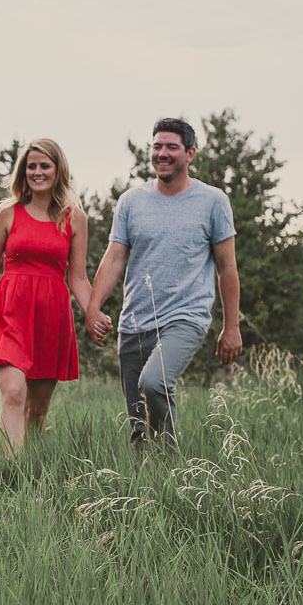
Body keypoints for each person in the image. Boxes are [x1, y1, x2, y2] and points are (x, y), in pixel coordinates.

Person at [85, 117, 242, 449]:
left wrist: (231, 327)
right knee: (140, 422)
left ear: (190, 153)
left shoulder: (212, 202)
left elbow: (227, 268)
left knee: (154, 383)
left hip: (185, 317)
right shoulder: (131, 201)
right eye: (157, 146)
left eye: (172, 147)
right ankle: (153, 484)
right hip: (135, 320)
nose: (163, 153)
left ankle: (169, 455)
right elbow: (114, 257)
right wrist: (93, 308)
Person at [0, 139, 98, 455]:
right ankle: (14, 474)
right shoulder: (6, 213)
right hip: (9, 311)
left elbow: (77, 277)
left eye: (44, 166)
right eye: (31, 166)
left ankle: (33, 472)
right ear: (23, 171)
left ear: (58, 170)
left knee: (36, 412)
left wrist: (94, 313)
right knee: (13, 392)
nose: (37, 172)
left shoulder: (75, 219)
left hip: (51, 316)